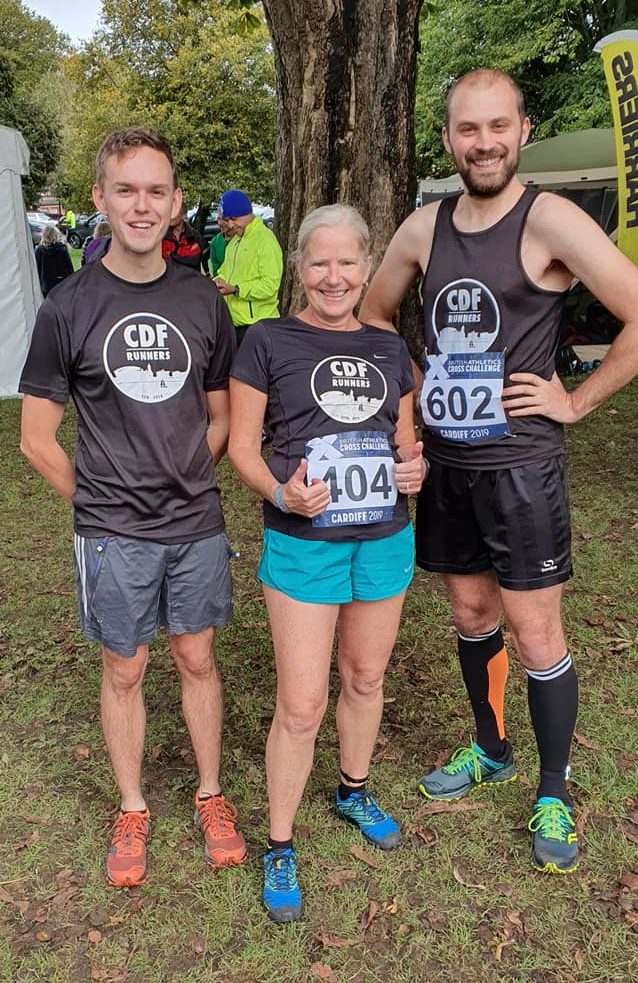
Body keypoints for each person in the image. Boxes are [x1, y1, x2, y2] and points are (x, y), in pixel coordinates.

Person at [360, 68, 638, 876]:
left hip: (521, 466)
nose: (482, 142)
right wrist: (413, 387)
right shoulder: (423, 228)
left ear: (522, 132)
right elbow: (378, 315)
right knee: (471, 612)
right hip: (448, 465)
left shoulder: (550, 219)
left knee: (535, 628)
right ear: (447, 139)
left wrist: (576, 402)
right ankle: (491, 747)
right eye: (467, 129)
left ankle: (554, 787)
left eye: (497, 127)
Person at [19, 126, 246, 888]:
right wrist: (99, 503)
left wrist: (187, 473)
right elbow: (37, 438)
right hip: (113, 532)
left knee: (197, 656)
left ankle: (211, 794)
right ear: (100, 198)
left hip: (194, 524)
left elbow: (220, 415)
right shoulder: (67, 305)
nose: (141, 205)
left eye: (156, 191)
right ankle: (132, 804)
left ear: (176, 202)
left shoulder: (201, 300)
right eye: (126, 190)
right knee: (125, 667)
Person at [228, 204, 427, 922]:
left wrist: (416, 470)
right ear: (299, 268)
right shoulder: (268, 342)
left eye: (348, 262)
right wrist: (283, 489)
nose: (334, 276)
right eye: (320, 262)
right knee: (303, 701)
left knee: (366, 675)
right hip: (303, 540)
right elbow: (243, 448)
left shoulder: (387, 347)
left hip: (383, 536)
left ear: (367, 265)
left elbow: (407, 445)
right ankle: (280, 840)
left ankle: (353, 786)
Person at [214, 189, 283, 347]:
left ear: (247, 213)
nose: (230, 224)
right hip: (236, 325)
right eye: (227, 219)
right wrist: (214, 282)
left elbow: (270, 285)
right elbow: (224, 273)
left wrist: (236, 289)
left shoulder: (265, 240)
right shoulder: (235, 241)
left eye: (234, 218)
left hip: (260, 326)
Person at [161, 203, 209, 274]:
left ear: (184, 215)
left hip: (190, 282)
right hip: (167, 282)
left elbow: (200, 258)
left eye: (174, 212)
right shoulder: (161, 236)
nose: (171, 216)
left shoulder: (194, 237)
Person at [35, 225, 74, 296]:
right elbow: (69, 268)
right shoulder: (62, 249)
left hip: (45, 285)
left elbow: (36, 269)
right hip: (60, 284)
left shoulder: (39, 251)